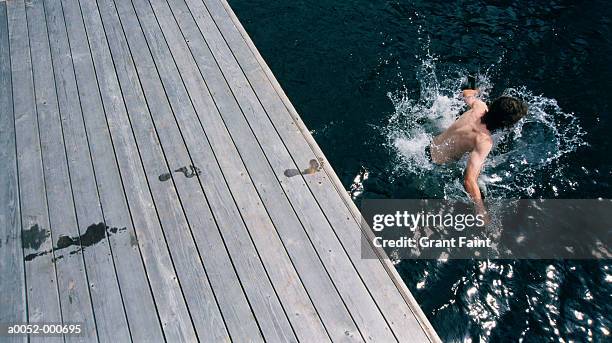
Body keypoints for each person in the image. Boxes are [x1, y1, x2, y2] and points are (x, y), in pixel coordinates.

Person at [425, 89, 528, 209]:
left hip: (427, 148)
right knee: (480, 189)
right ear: (506, 124)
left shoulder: (479, 106)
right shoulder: (484, 141)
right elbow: (469, 180)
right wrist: (481, 211)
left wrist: (475, 90)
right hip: (435, 168)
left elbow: (467, 93)